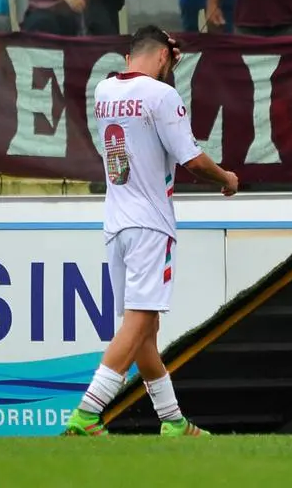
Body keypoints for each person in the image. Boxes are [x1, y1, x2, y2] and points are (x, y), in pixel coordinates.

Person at [64, 26, 239, 437]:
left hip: (116, 222)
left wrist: (162, 62)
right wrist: (226, 178)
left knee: (145, 331)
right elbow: (192, 160)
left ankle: (172, 421)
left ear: (128, 59)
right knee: (140, 322)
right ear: (165, 57)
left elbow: (139, 92)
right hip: (150, 222)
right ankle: (87, 414)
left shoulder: (105, 90)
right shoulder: (162, 95)